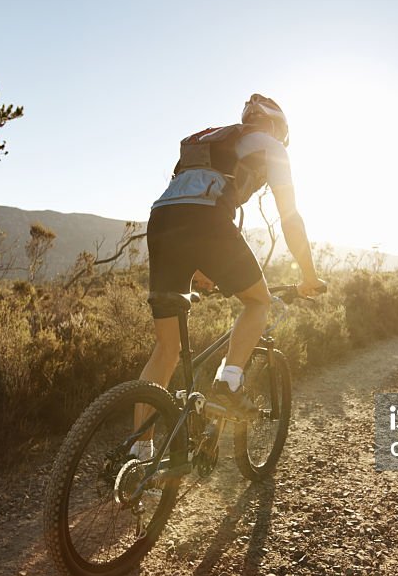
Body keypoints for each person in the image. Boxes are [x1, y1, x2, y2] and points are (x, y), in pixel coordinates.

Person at [133, 94, 325, 460]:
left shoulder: (211, 141)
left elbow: (185, 200)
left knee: (166, 348)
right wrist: (309, 275)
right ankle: (228, 383)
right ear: (277, 129)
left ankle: (140, 454)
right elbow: (291, 218)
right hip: (206, 222)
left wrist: (200, 266)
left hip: (161, 221)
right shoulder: (271, 145)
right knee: (258, 301)